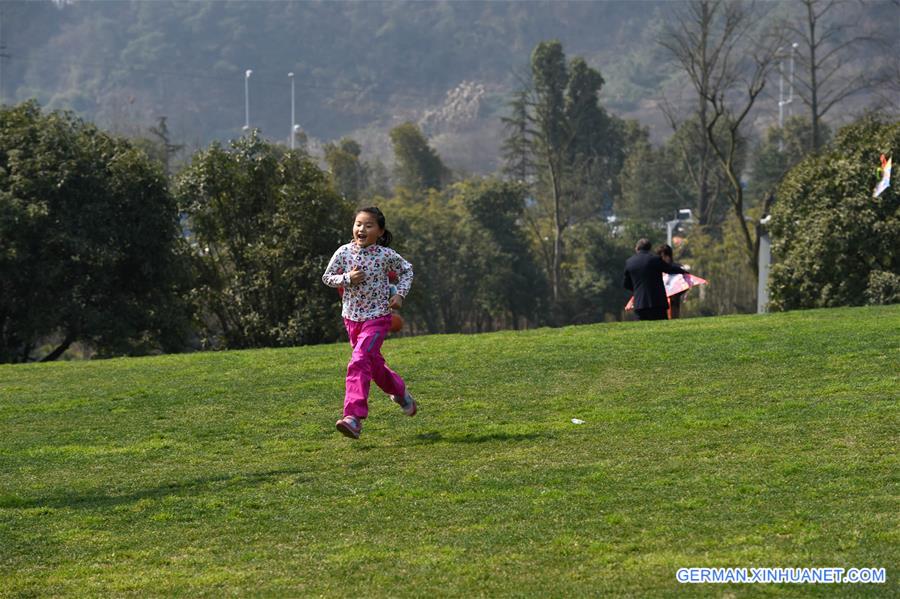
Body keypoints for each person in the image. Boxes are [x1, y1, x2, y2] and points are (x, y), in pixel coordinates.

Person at [322, 206, 416, 439]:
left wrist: (399, 295)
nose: (361, 229)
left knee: (359, 360)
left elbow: (407, 271)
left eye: (368, 225)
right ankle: (400, 392)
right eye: (358, 224)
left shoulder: (385, 255)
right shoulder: (343, 252)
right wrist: (347, 278)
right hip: (351, 319)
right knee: (372, 366)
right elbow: (327, 277)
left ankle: (353, 417)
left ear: (380, 232)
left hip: (378, 318)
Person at [623, 238, 688, 321]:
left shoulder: (629, 262)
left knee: (641, 331)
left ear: (636, 248)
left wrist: (637, 290)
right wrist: (683, 271)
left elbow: (626, 284)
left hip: (640, 305)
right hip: (658, 303)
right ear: (650, 248)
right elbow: (669, 269)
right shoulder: (655, 259)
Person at [656, 243, 687, 319]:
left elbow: (685, 284)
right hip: (660, 300)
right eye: (660, 257)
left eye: (664, 256)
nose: (663, 259)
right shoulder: (657, 269)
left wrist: (676, 292)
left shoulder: (676, 268)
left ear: (669, 256)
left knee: (673, 318)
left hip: (674, 300)